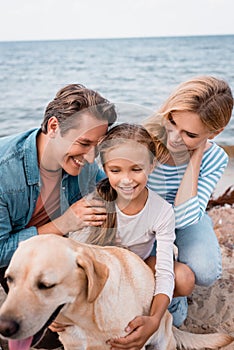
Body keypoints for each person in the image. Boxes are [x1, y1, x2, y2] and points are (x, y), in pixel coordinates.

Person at [0, 83, 117, 349]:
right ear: (53, 127)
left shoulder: (83, 164)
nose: (90, 157)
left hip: (42, 262)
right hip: (9, 256)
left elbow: (118, 202)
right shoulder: (4, 172)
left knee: (56, 335)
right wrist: (62, 224)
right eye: (84, 143)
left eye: (97, 146)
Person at [71, 123, 191, 349]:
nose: (126, 180)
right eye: (116, 170)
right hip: (105, 276)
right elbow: (76, 263)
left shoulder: (162, 211)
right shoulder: (94, 204)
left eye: (136, 169)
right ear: (105, 169)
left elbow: (164, 272)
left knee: (183, 278)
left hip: (139, 272)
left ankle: (172, 309)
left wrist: (154, 320)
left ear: (152, 165)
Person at [143, 76, 234, 328]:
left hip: (187, 216)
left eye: (190, 134)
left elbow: (184, 218)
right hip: (145, 219)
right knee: (178, 318)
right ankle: (175, 282)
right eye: (172, 122)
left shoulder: (214, 158)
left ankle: (177, 284)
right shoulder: (145, 139)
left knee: (205, 271)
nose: (173, 138)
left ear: (214, 133)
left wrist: (196, 157)